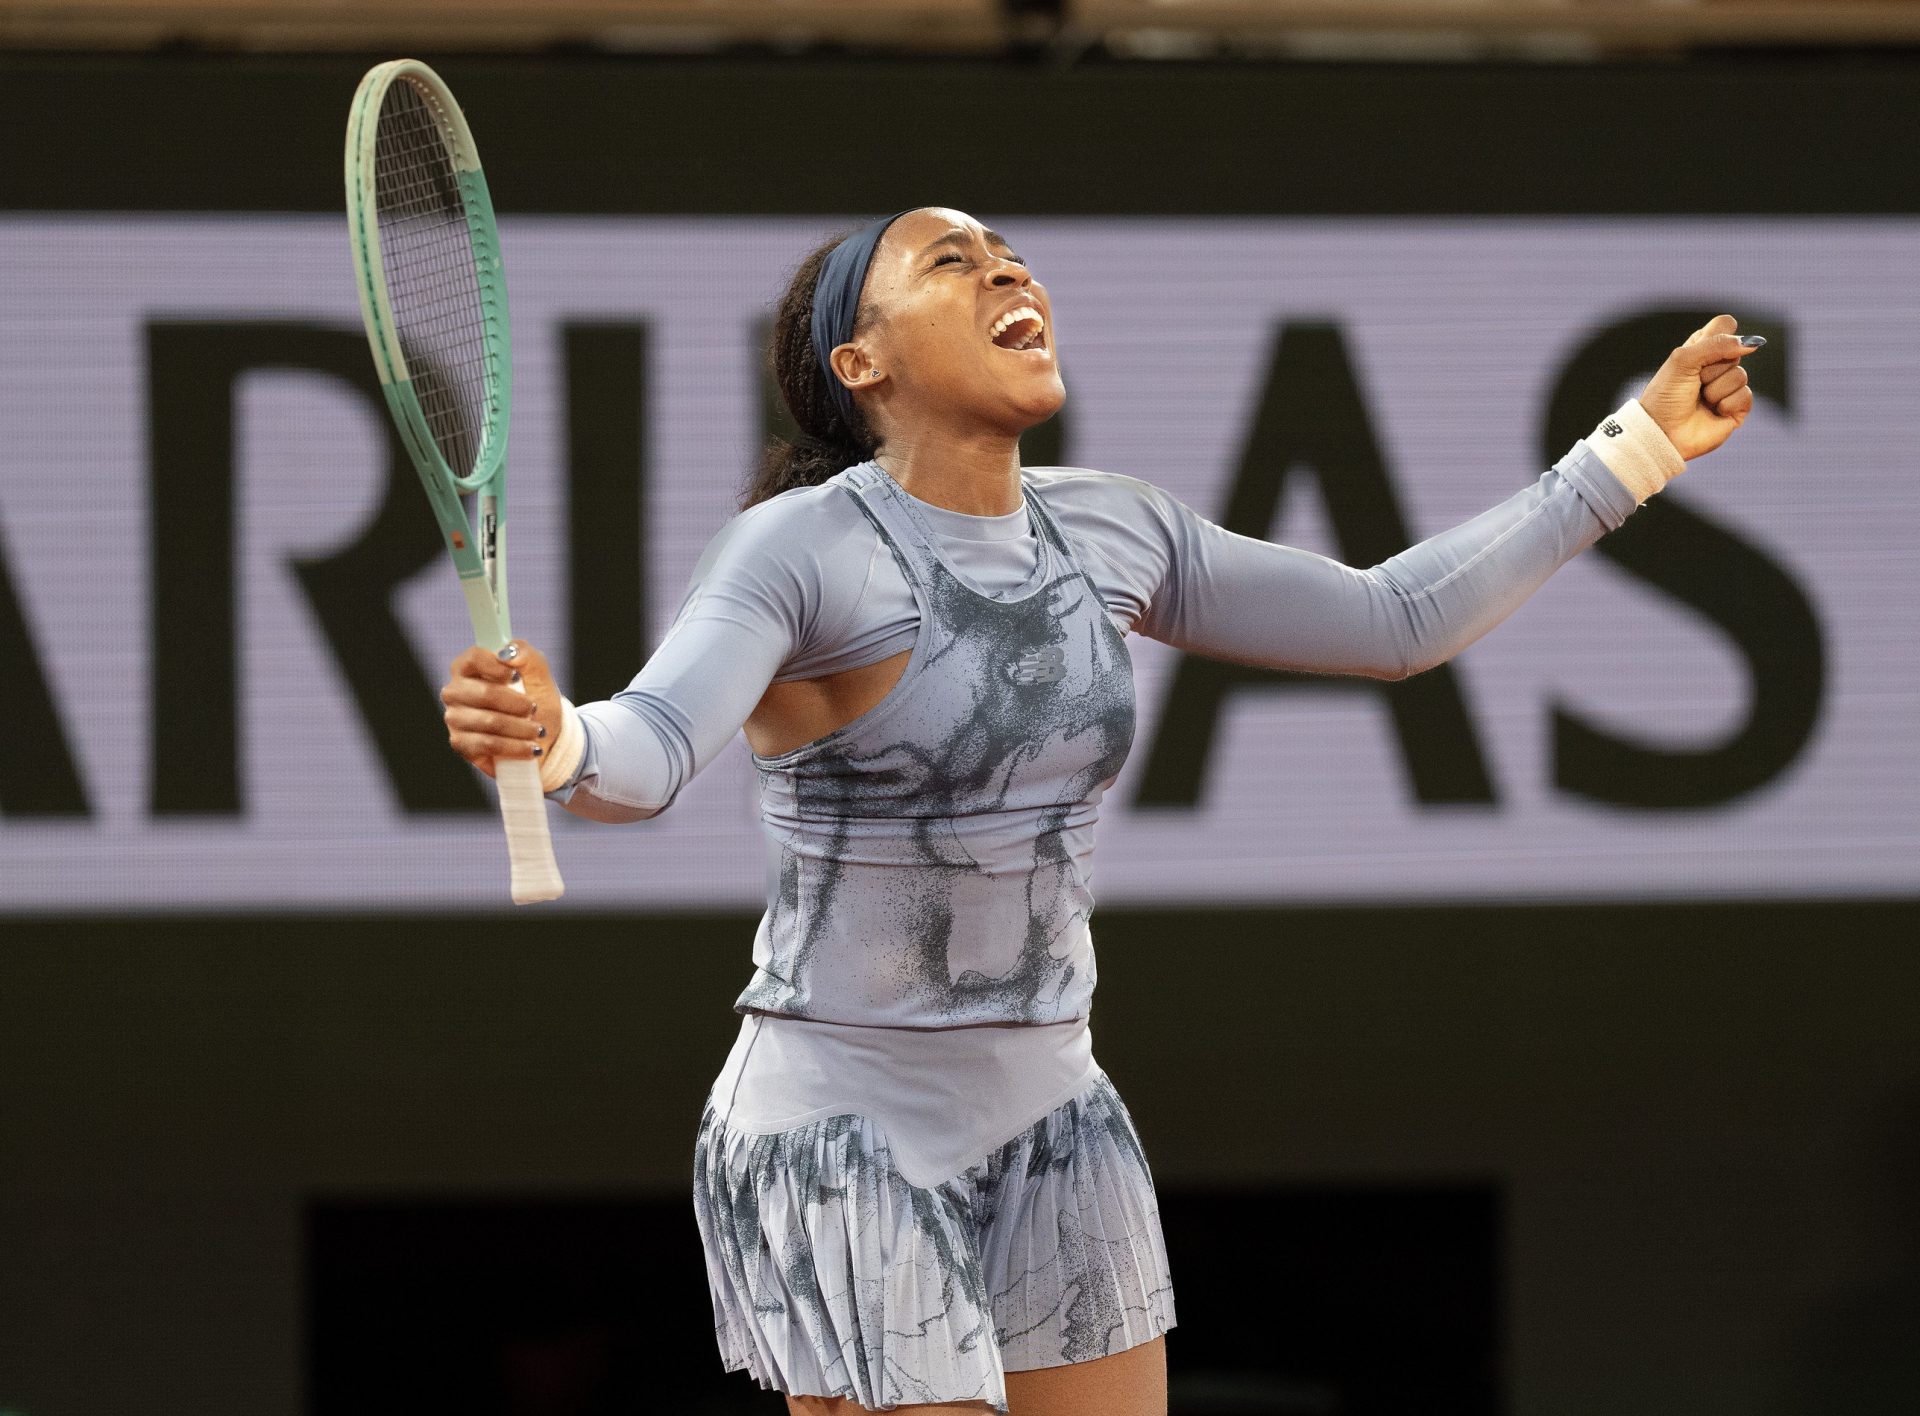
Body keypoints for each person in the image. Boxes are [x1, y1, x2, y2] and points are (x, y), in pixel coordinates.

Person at [437, 207, 1762, 1415]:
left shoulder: (1115, 530)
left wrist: (1637, 444)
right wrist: (554, 740)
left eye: (1007, 250)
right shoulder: (800, 552)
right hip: (841, 1133)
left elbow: (1396, 619)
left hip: (1052, 1115)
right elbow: (651, 749)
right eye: (950, 261)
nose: (1007, 269)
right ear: (862, 365)